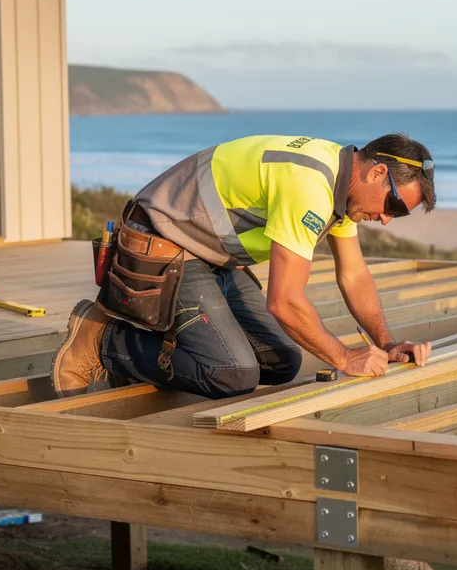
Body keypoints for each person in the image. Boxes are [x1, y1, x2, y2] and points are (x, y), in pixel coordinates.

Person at [52, 133, 437, 399]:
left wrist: (386, 345)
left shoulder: (341, 180)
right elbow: (284, 301)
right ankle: (103, 341)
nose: (387, 220)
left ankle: (142, 359)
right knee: (232, 373)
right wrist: (343, 357)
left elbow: (353, 274)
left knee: (282, 362)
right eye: (394, 206)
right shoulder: (310, 184)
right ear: (376, 172)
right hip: (166, 243)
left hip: (211, 254)